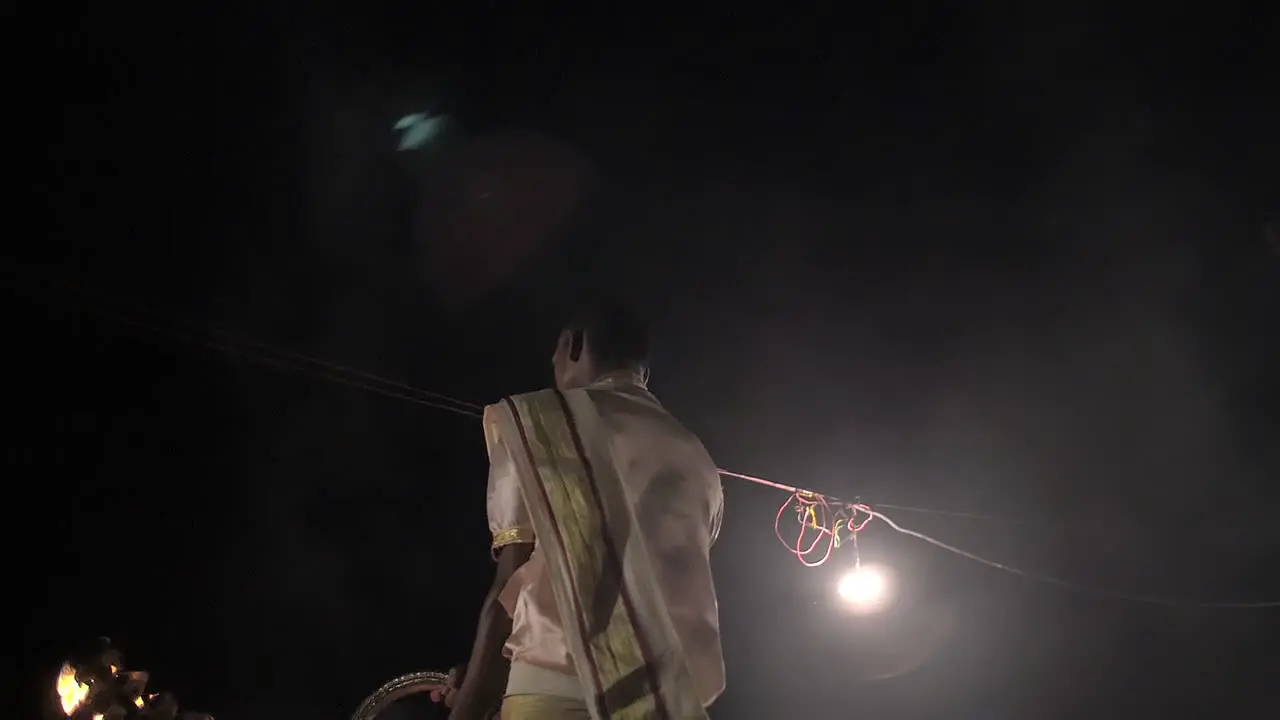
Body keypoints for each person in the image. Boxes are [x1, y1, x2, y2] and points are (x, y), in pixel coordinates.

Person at [437, 296, 726, 720]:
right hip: (665, 704)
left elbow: (512, 585)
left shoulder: (542, 423)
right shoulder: (697, 458)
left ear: (572, 345)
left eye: (555, 356)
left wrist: (473, 700)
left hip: (549, 692)